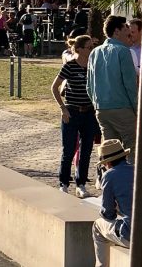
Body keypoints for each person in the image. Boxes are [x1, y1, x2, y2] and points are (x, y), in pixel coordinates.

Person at [51, 35, 100, 198]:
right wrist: (63, 108)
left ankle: (81, 184)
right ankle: (64, 183)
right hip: (71, 112)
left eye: (91, 47)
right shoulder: (70, 66)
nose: (90, 50)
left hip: (89, 113)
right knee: (69, 149)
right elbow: (55, 87)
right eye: (88, 47)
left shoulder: (93, 66)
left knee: (86, 150)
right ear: (78, 49)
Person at [87, 16, 139, 161]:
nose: (128, 33)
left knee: (109, 151)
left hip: (101, 108)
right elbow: (130, 85)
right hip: (122, 108)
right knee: (132, 147)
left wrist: (97, 105)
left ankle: (107, 179)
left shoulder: (94, 52)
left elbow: (89, 85)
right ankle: (129, 181)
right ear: (117, 31)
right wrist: (137, 110)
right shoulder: (123, 51)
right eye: (126, 29)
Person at [91, 139, 133, 267]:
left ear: (107, 163)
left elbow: (108, 214)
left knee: (97, 227)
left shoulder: (109, 176)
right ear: (124, 156)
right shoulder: (139, 169)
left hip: (131, 234)